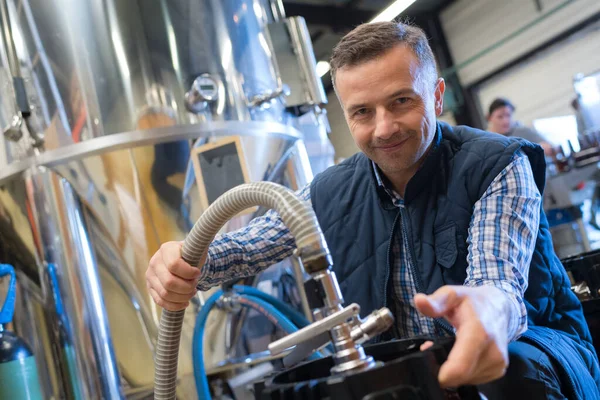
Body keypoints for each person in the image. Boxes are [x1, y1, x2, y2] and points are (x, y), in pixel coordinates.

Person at [146, 22, 600, 399]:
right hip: (413, 364)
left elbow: (496, 285)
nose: (384, 128)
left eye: (402, 100)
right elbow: (247, 246)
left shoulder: (497, 163)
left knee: (508, 374)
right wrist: (186, 262)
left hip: (538, 350)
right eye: (362, 112)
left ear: (437, 96)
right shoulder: (331, 191)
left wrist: (486, 312)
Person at [487, 98, 555, 156]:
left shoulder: (523, 131)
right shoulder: (485, 140)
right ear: (489, 118)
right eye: (500, 117)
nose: (505, 121)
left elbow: (551, 147)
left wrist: (543, 148)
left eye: (508, 115)